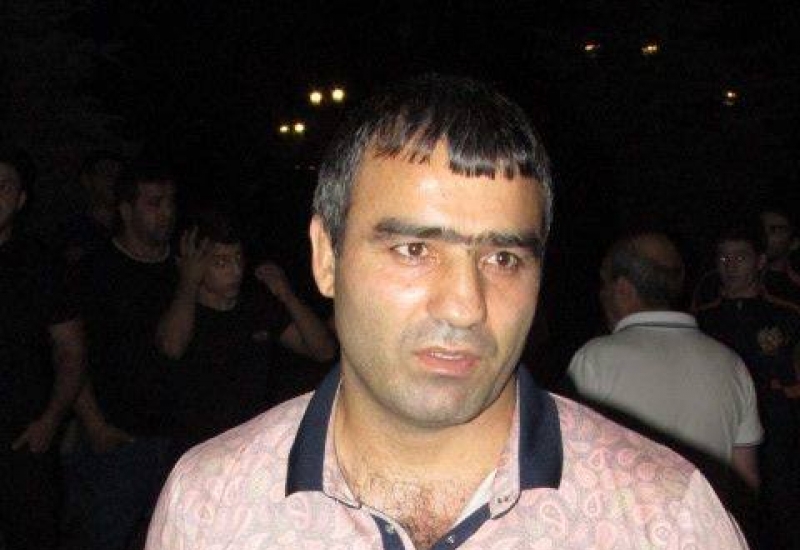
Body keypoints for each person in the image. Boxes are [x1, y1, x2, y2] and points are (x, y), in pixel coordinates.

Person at [146, 75, 748, 549]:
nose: (464, 306)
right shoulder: (211, 505)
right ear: (326, 257)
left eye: (503, 258)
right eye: (414, 250)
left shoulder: (662, 518)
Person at [567, 233, 762, 510]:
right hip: (706, 527)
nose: (602, 294)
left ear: (623, 288)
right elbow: (746, 480)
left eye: (604, 283)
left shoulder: (594, 360)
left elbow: (571, 468)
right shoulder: (731, 364)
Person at [68, 158, 179, 550]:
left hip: (176, 437)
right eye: (154, 203)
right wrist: (93, 423)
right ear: (126, 209)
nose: (166, 213)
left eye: (170, 201)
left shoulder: (182, 270)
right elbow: (71, 354)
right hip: (118, 439)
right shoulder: (96, 271)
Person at [156, 210, 336, 449]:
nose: (236, 270)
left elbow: (323, 350)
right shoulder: (180, 307)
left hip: (251, 443)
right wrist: (188, 281)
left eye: (238, 258)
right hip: (197, 447)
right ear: (195, 265)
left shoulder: (254, 307)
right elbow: (171, 347)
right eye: (221, 262)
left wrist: (287, 294)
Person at [0, 147, 86, 550]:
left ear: (20, 198)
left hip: (23, 435)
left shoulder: (41, 264)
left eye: (4, 186)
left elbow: (71, 350)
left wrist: (51, 419)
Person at [696, 224, 800, 549]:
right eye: (723, 258)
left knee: (783, 514)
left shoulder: (787, 314)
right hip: (722, 430)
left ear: (760, 261)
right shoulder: (702, 318)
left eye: (740, 257)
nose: (730, 265)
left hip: (777, 434)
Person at [760, 206, 800, 305]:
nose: (764, 235)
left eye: (774, 230)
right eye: (761, 229)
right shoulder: (733, 278)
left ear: (794, 243)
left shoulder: (795, 290)